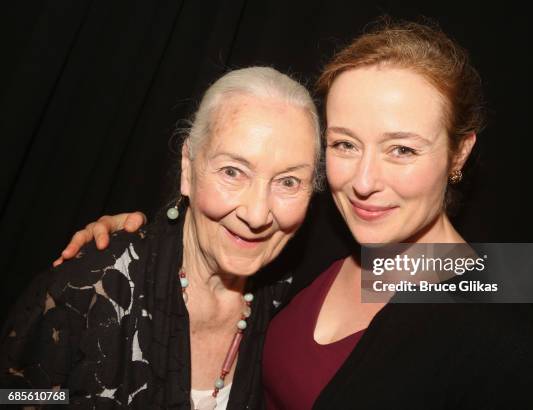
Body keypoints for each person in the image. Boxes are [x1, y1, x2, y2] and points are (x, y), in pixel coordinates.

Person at [50, 22, 533, 409]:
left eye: (401, 150)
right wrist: (144, 241)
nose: (363, 181)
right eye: (344, 144)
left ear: (459, 154)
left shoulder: (500, 334)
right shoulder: (322, 237)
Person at [0, 66, 321, 409]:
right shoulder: (85, 290)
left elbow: (383, 276)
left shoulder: (294, 293)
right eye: (232, 172)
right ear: (187, 168)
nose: (257, 215)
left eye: (288, 182)